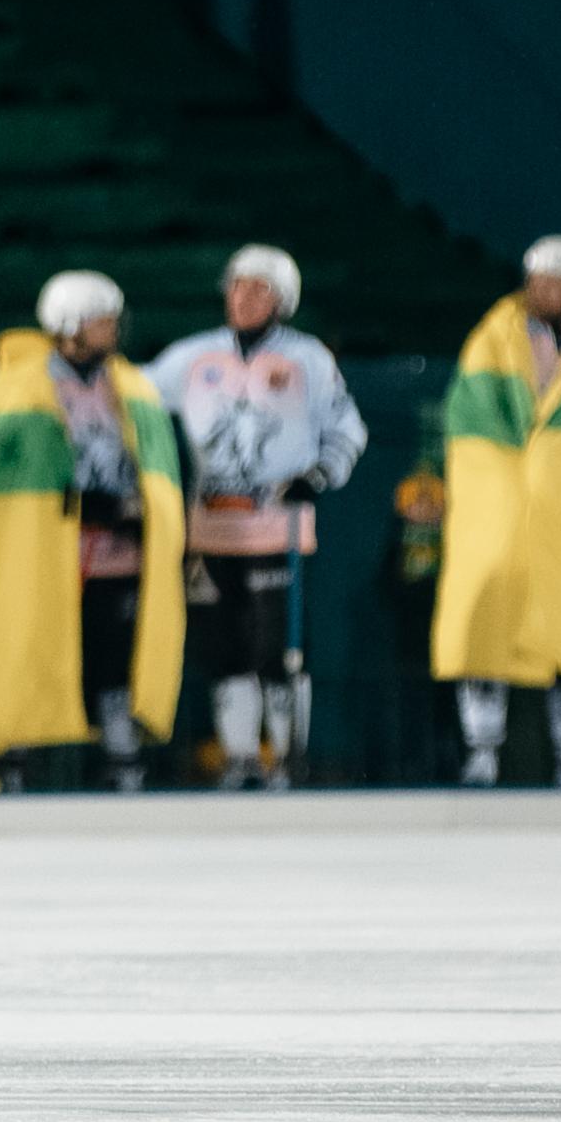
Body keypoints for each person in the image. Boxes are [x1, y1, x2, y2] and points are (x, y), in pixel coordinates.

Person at [0, 273, 187, 792]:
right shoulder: (16, 387)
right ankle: (17, 748)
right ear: (69, 324)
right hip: (41, 551)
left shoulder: (131, 386)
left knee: (113, 650)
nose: (112, 330)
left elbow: (155, 462)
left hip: (116, 547)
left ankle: (119, 750)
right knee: (31, 641)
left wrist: (143, 511)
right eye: (101, 320)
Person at [147, 246, 369, 790]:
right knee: (224, 653)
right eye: (236, 286)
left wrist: (318, 476)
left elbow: (348, 429)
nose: (242, 297)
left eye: (258, 288)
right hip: (211, 535)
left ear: (283, 299)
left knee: (279, 652)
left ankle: (289, 759)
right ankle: (241, 757)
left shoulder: (308, 359)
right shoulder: (192, 357)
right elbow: (135, 398)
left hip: (279, 534)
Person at [431, 237, 561, 788]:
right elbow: (468, 426)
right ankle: (481, 752)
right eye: (535, 276)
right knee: (486, 633)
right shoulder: (489, 341)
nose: (540, 287)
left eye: (554, 279)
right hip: (499, 517)